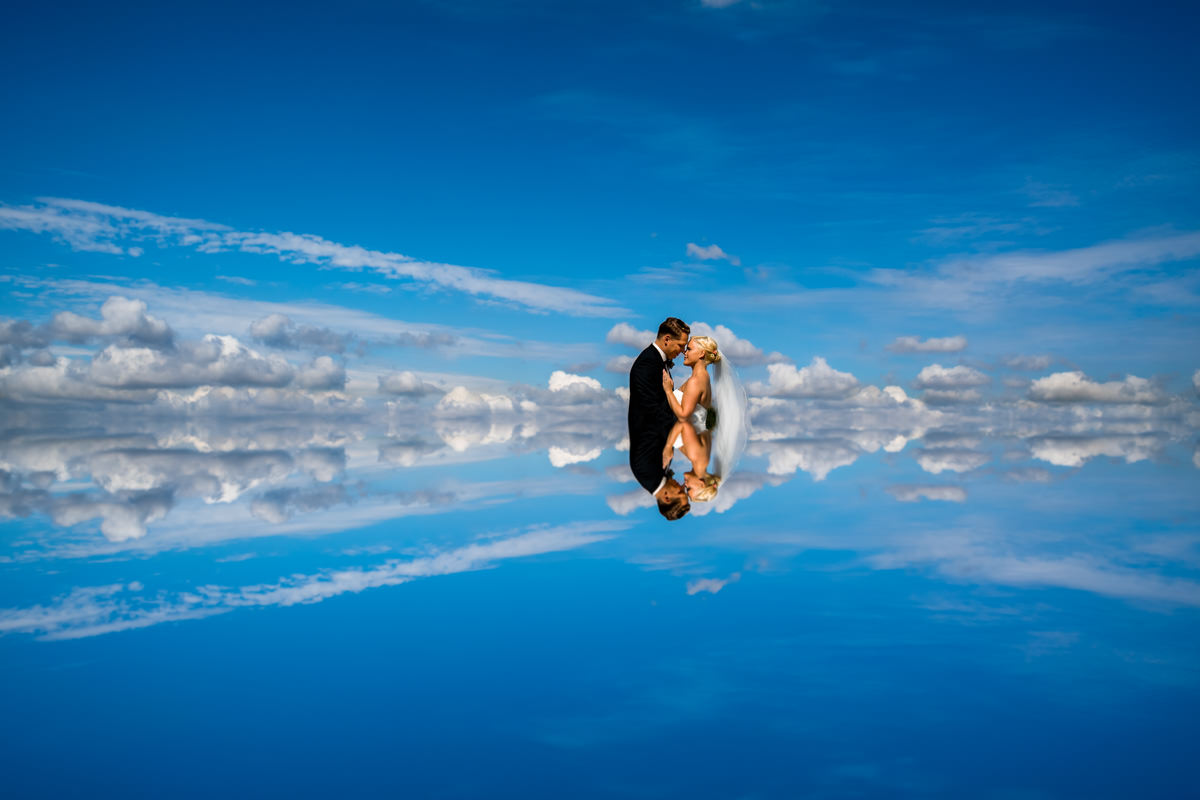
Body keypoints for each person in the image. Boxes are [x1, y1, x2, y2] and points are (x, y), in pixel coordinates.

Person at [628, 317, 691, 519]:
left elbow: (658, 412)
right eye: (681, 345)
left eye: (680, 492)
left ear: (666, 497)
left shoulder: (648, 474)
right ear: (666, 339)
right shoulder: (648, 364)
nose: (682, 351)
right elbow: (655, 412)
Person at [663, 335, 723, 503]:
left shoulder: (696, 380)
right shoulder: (701, 377)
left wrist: (668, 391)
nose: (685, 352)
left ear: (702, 354)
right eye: (689, 489)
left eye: (689, 349)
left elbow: (683, 416)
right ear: (702, 483)